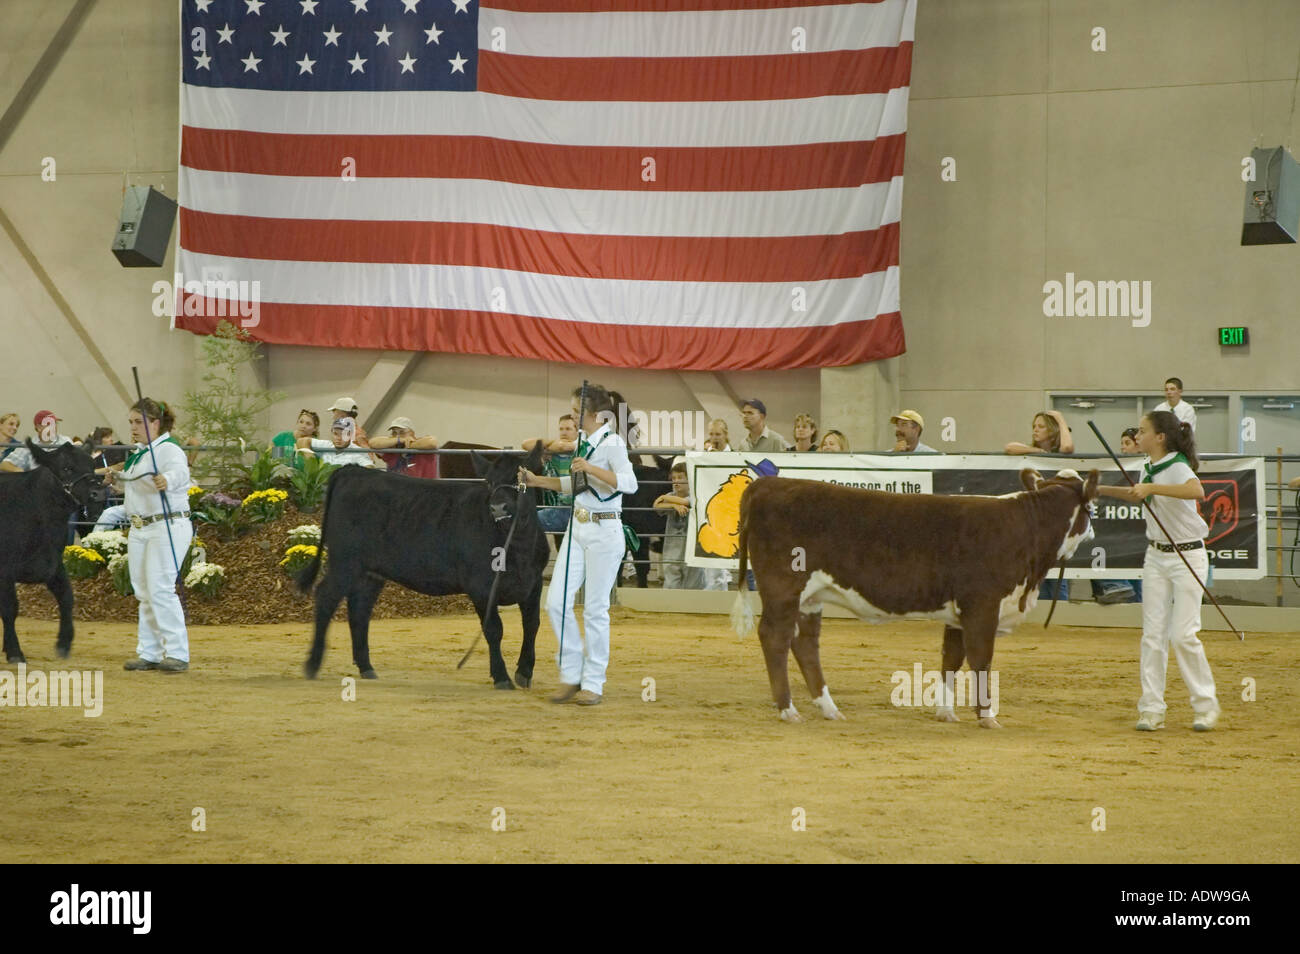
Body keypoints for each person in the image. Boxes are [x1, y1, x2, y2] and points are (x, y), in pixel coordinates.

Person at [1096, 411, 1220, 732]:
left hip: (1188, 555)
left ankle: (1205, 706)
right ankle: (1151, 708)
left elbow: (1197, 492)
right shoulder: (1148, 467)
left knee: (1183, 634)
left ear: (1159, 437)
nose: (1138, 435)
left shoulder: (1177, 464)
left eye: (1142, 430)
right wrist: (1099, 490)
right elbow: (1139, 492)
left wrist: (1152, 490)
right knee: (1152, 635)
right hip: (1156, 557)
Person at [519, 384, 638, 707]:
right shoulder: (583, 441)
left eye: (576, 411)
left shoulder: (613, 443)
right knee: (555, 603)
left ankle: (593, 682)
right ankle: (571, 674)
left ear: (595, 415)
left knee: (596, 609)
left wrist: (591, 468)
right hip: (578, 527)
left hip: (605, 528)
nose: (572, 415)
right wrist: (537, 481)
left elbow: (630, 483)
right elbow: (577, 485)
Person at [111, 398, 193, 673]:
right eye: (131, 422)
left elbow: (180, 473)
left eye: (139, 422)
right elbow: (136, 487)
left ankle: (178, 652)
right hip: (140, 527)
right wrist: (118, 480)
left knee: (160, 588)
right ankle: (149, 652)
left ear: (156, 423)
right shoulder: (141, 453)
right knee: (144, 591)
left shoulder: (169, 450)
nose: (133, 427)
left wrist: (167, 480)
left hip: (166, 525)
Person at [524, 414, 579, 539]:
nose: (564, 433)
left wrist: (557, 446)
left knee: (526, 522)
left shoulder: (581, 448)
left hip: (578, 509)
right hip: (558, 508)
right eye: (561, 429)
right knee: (525, 522)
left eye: (568, 429)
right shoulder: (552, 449)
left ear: (577, 431)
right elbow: (526, 444)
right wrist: (552, 443)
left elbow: (564, 446)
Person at [654, 460, 706, 590]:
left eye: (680, 478)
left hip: (692, 549)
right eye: (674, 478)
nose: (676, 481)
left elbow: (685, 501)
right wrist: (672, 505)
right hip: (672, 548)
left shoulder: (696, 495)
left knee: (693, 585)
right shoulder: (671, 496)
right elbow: (656, 505)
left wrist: (662, 497)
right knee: (671, 583)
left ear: (690, 480)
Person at [369, 416, 440, 478]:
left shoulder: (422, 443)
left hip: (424, 489)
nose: (397, 436)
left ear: (412, 433)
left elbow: (432, 443)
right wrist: (401, 440)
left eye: (402, 432)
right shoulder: (392, 450)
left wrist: (409, 445)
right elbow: (373, 442)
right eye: (394, 433)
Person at [297, 418, 380, 467]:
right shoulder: (327, 445)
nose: (339, 438)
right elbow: (302, 441)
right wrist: (310, 459)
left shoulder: (358, 452)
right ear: (331, 433)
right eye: (336, 434)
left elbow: (370, 468)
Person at [1005, 410, 1073, 455]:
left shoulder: (1059, 451)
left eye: (1041, 426)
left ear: (1052, 431)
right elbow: (1009, 447)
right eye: (1034, 426)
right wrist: (1037, 450)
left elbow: (1067, 447)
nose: (1035, 430)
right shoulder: (1031, 449)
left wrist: (1060, 419)